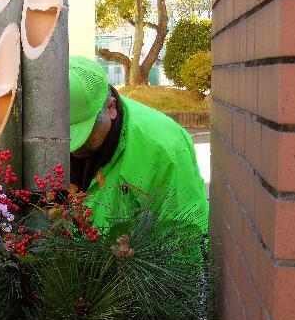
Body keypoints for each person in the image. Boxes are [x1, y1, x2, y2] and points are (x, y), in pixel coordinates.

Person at [68, 55, 208, 231]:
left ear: (111, 108)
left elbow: (182, 231)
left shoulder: (162, 148)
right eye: (68, 134)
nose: (73, 147)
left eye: (84, 132)